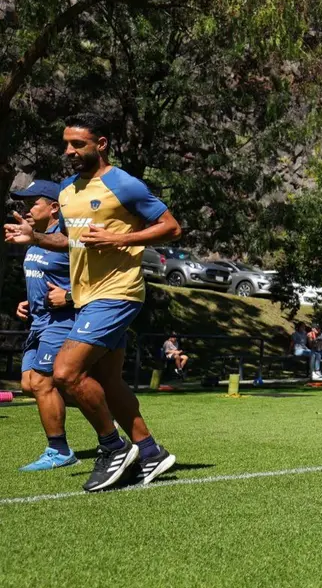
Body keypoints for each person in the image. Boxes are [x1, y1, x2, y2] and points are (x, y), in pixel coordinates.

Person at [4, 114, 182, 491]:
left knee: (66, 373)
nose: (69, 151)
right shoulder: (67, 190)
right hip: (87, 296)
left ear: (100, 144)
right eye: (66, 144)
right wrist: (34, 236)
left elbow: (171, 227)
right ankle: (150, 452)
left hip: (117, 292)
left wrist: (123, 240)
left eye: (77, 144)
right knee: (108, 381)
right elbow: (70, 242)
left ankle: (112, 447)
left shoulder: (124, 184)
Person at [10, 180, 80, 471]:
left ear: (54, 208)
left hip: (61, 321)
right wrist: (26, 302)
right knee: (29, 384)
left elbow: (96, 283)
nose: (26, 210)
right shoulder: (35, 239)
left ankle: (59, 450)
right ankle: (101, 405)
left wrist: (68, 297)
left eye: (32, 203)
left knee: (41, 382)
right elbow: (39, 276)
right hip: (38, 322)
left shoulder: (65, 240)